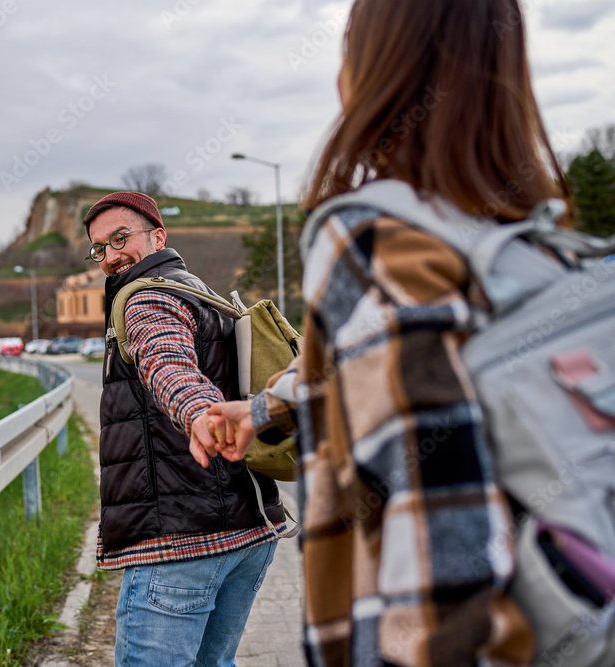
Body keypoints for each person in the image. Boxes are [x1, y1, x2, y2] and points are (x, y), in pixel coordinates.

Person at [190, 0, 571, 665]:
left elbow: (444, 545)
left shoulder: (372, 238)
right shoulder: (542, 247)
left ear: (375, 73)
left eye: (349, 48)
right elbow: (385, 370)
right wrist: (258, 410)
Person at [84, 191, 288, 666]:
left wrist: (201, 416)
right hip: (248, 533)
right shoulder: (198, 291)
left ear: (158, 236)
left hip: (180, 542)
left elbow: (169, 366)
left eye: (120, 238)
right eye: (99, 248)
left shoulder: (146, 298)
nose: (110, 255)